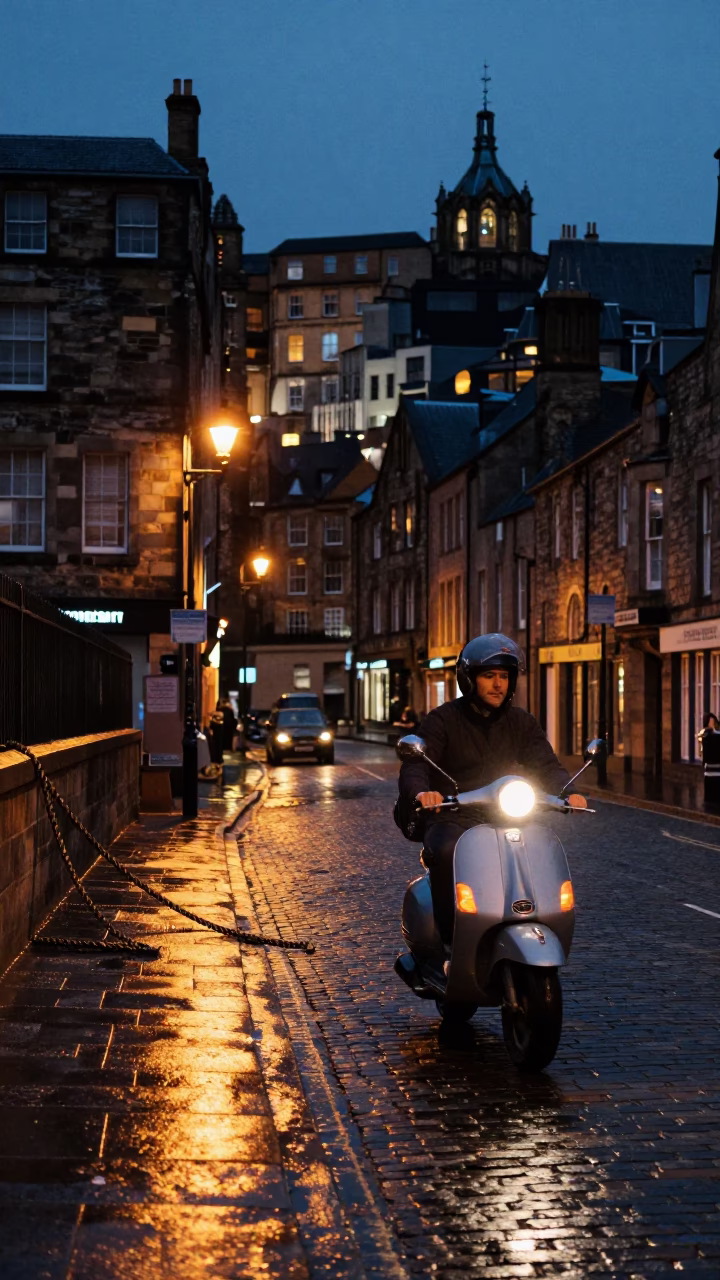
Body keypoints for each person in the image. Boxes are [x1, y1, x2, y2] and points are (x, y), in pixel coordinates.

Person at [398, 633, 587, 942]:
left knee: (541, 846)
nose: (498, 684)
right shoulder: (443, 720)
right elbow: (417, 763)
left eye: (504, 676)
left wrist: (567, 791)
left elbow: (545, 763)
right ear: (469, 679)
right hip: (453, 816)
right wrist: (422, 793)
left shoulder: (522, 722)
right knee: (446, 851)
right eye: (489, 676)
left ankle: (537, 919)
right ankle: (450, 941)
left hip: (506, 814)